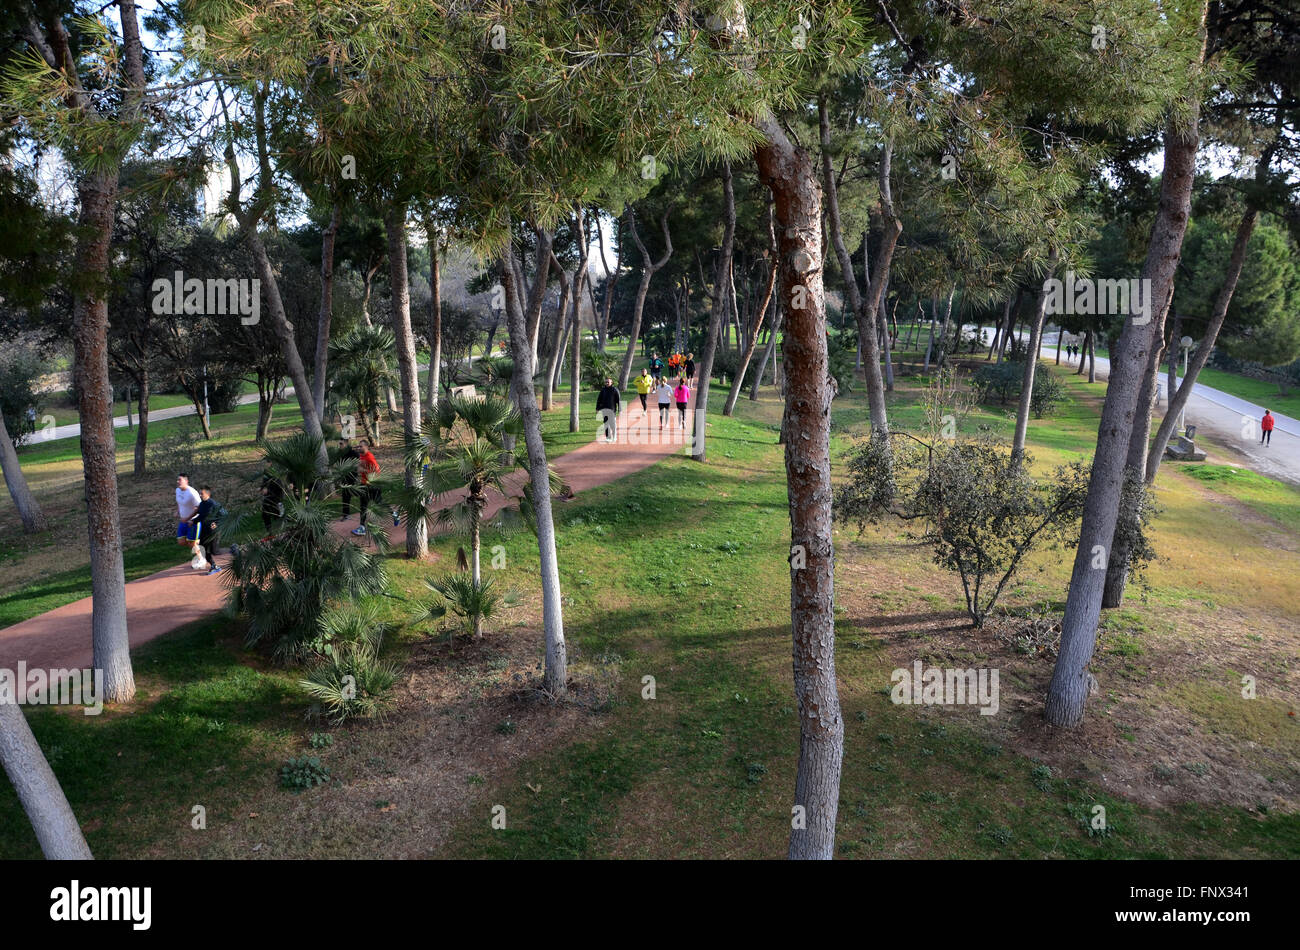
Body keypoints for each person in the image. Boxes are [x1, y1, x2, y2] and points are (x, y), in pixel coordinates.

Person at [353, 439, 382, 536]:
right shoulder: (362, 456)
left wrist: (363, 470)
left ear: (366, 447)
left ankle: (394, 514)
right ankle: (362, 527)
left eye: (361, 446)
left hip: (372, 485)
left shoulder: (370, 457)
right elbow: (360, 467)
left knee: (379, 503)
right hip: (364, 484)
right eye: (359, 446)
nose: (359, 447)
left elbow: (377, 470)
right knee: (363, 506)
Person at [193, 485, 223, 575]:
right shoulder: (201, 505)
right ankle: (214, 566)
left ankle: (235, 550)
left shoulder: (214, 504)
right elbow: (201, 517)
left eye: (201, 494)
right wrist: (193, 521)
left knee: (215, 551)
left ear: (207, 494)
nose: (200, 495)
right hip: (204, 531)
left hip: (213, 532)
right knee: (203, 549)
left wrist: (217, 523)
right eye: (199, 494)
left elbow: (224, 515)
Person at [175, 473, 202, 552]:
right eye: (177, 480)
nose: (178, 481)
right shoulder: (177, 490)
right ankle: (198, 542)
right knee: (181, 542)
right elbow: (179, 502)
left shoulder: (192, 493)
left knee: (192, 544)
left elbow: (199, 508)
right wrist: (178, 511)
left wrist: (189, 518)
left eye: (180, 480)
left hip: (193, 521)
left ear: (186, 481)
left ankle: (201, 559)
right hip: (183, 520)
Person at [338, 437, 360, 521]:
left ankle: (370, 496)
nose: (340, 446)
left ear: (346, 444)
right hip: (344, 478)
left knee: (352, 493)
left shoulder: (353, 453)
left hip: (352, 478)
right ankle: (345, 515)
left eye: (341, 444)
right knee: (345, 496)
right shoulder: (340, 453)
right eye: (339, 444)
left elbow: (358, 463)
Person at [259, 469, 285, 536]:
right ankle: (269, 532)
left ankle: (280, 531)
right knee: (265, 515)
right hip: (267, 499)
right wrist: (262, 489)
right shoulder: (265, 476)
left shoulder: (276, 478)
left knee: (277, 515)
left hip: (276, 499)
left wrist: (268, 490)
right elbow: (263, 486)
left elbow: (280, 489)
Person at [596, 377, 621, 442]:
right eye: (606, 382)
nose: (607, 383)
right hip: (604, 409)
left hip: (612, 410)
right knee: (606, 424)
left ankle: (614, 436)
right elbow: (599, 399)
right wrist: (597, 408)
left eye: (608, 382)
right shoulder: (603, 390)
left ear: (611, 383)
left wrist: (620, 409)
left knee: (612, 424)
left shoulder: (615, 390)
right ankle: (608, 437)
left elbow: (618, 400)